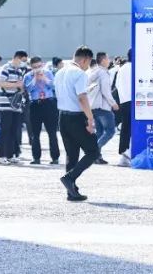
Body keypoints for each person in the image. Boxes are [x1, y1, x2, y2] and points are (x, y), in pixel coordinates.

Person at [55, 46, 100, 202]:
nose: (88, 67)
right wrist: (90, 119)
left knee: (72, 155)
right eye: (89, 63)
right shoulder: (79, 73)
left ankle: (71, 191)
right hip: (76, 117)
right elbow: (82, 98)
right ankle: (70, 178)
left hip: (62, 116)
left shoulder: (60, 72)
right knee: (93, 152)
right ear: (85, 59)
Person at [23, 56, 60, 166]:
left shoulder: (48, 73)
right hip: (35, 104)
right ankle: (36, 157)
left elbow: (54, 86)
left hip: (49, 103)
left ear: (42, 65)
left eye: (39, 66)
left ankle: (55, 157)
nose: (37, 69)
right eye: (35, 67)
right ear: (31, 67)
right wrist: (35, 78)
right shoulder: (28, 76)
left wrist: (44, 79)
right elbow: (28, 89)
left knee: (52, 132)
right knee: (35, 133)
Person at [0, 50, 28, 165]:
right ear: (17, 58)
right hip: (5, 104)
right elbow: (0, 83)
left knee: (14, 130)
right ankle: (0, 156)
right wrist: (15, 84)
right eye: (23, 60)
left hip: (15, 104)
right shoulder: (6, 68)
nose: (24, 63)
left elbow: (20, 86)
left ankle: (10, 155)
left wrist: (21, 88)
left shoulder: (19, 71)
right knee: (5, 129)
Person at [86, 52, 118, 165]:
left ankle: (97, 157)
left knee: (99, 132)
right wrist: (113, 103)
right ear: (103, 60)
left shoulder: (93, 72)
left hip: (93, 106)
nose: (109, 60)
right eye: (107, 58)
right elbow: (105, 91)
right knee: (110, 131)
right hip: (103, 106)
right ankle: (93, 151)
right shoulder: (103, 73)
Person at [114, 49, 133, 166]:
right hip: (133, 100)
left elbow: (117, 85)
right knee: (131, 127)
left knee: (125, 127)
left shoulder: (122, 68)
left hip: (123, 100)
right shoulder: (134, 68)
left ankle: (123, 151)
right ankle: (127, 152)